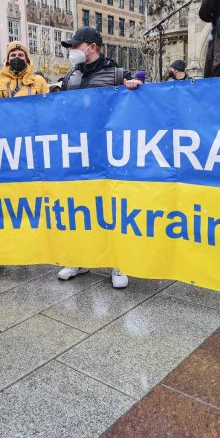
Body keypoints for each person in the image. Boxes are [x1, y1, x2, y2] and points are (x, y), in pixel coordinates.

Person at [58, 26, 142, 289]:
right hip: (79, 152)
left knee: (110, 207)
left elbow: (137, 104)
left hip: (107, 153)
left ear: (91, 47)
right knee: (80, 207)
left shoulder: (116, 73)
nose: (72, 51)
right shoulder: (71, 75)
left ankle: (118, 262)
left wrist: (133, 85)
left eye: (76, 46)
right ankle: (80, 258)